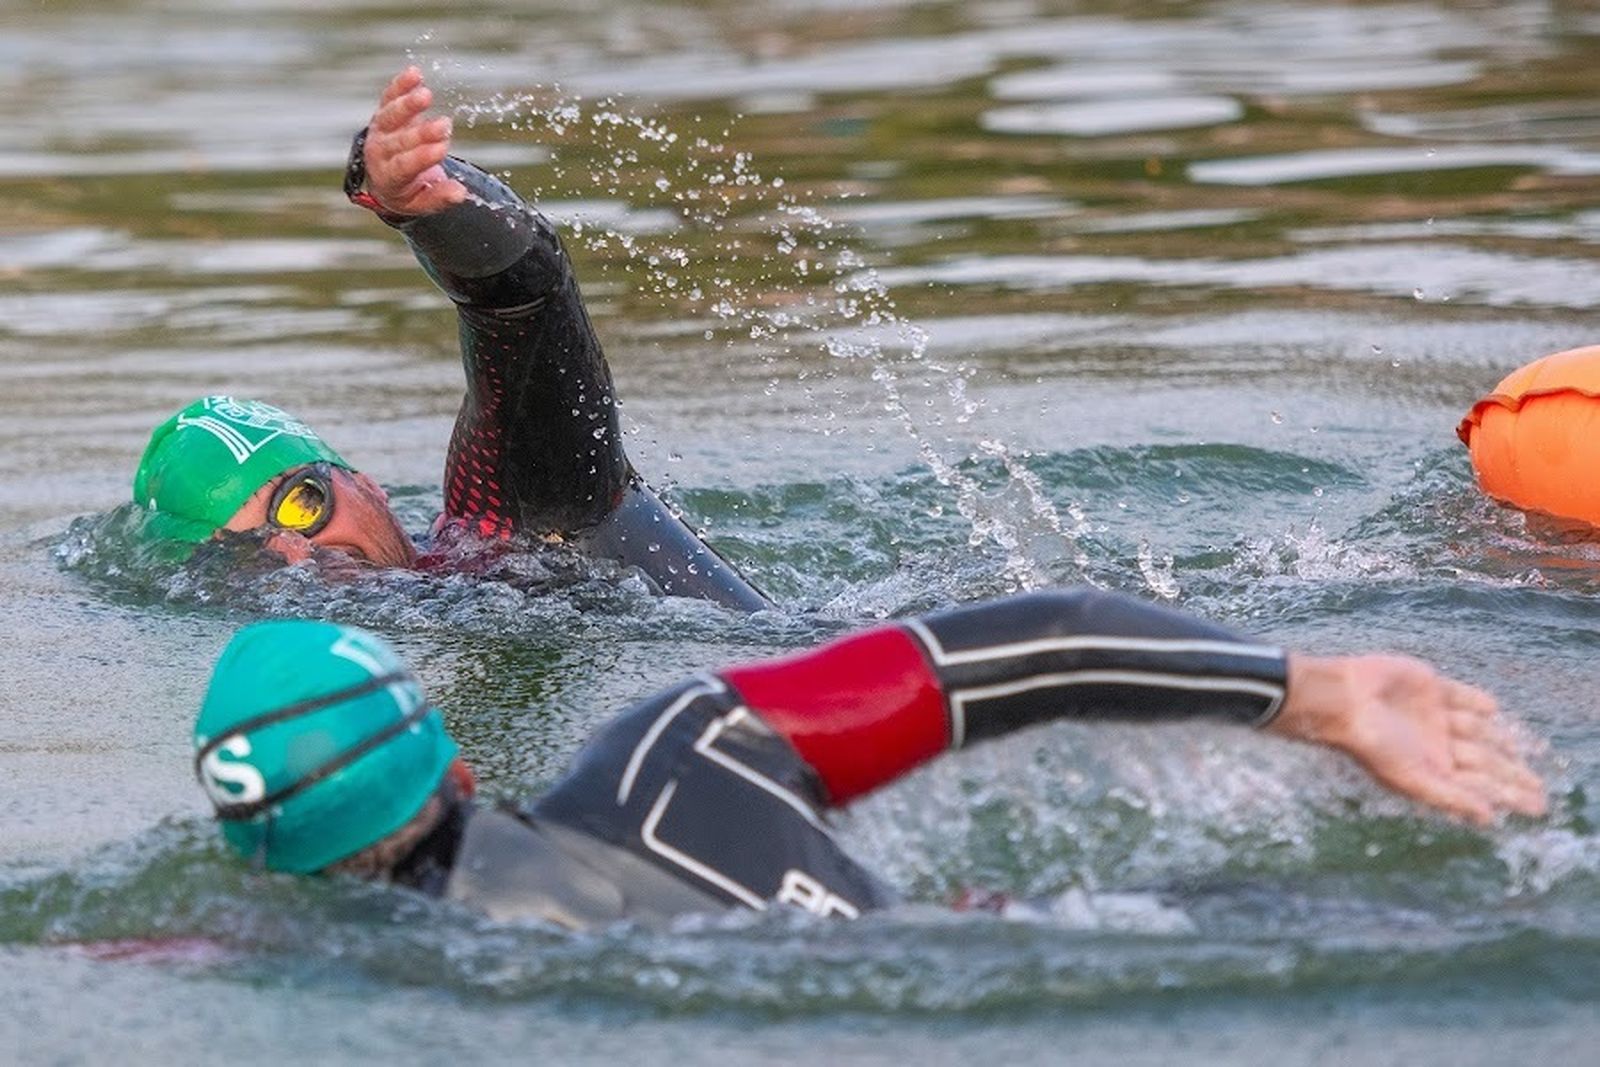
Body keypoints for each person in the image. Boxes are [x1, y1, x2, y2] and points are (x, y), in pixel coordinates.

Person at [192, 587, 1546, 928]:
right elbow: (1035, 645)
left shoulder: (351, 972)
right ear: (461, 762)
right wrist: (1315, 693)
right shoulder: (679, 759)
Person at [131, 68, 768, 611]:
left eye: (300, 504)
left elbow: (525, 304)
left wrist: (419, 209)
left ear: (367, 485)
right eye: (243, 556)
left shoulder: (504, 528)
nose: (295, 553)